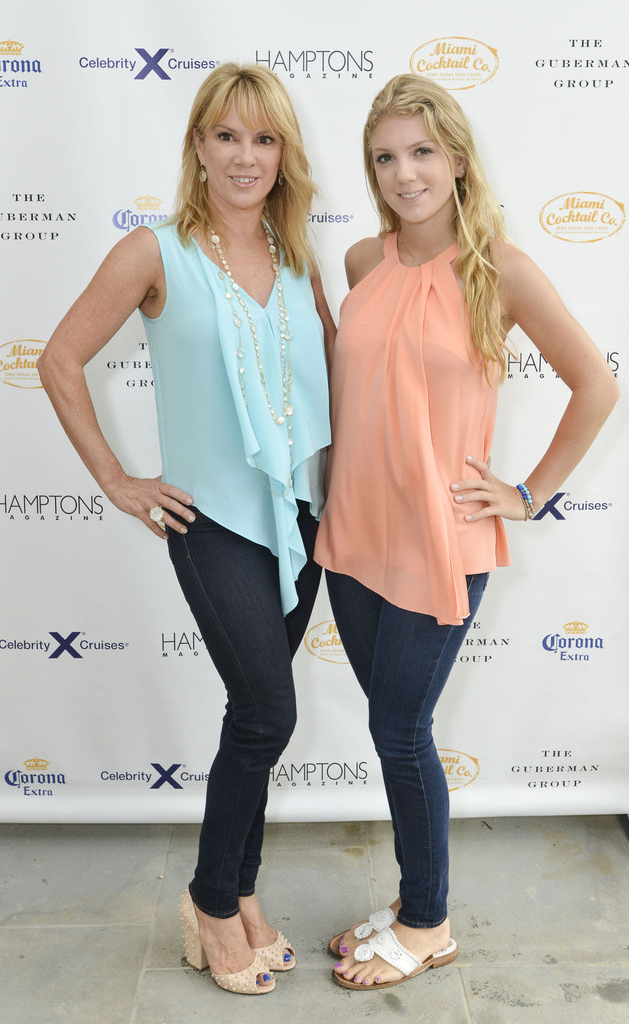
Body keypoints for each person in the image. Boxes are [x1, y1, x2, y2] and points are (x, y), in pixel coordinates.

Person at [314, 73, 618, 991]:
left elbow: (597, 384)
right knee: (390, 728)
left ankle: (428, 923)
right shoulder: (361, 262)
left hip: (439, 541)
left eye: (421, 152)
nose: (404, 173)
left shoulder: (499, 268)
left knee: (401, 729)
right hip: (351, 535)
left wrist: (528, 493)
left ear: (455, 159)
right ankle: (416, 899)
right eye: (385, 157)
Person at [37, 63, 333, 996]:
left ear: (283, 154)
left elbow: (335, 374)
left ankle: (240, 892)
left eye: (264, 139)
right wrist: (116, 479)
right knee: (269, 712)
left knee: (253, 716)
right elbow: (59, 358)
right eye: (227, 136)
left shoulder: (297, 253)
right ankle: (210, 902)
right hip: (211, 524)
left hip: (302, 517)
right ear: (198, 145)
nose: (246, 156)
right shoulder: (153, 251)